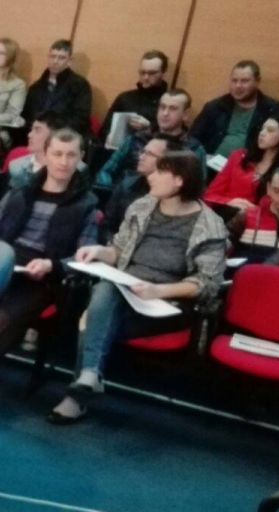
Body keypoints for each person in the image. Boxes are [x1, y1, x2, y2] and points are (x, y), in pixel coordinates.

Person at [50, 151, 226, 423]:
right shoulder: (142, 206)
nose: (150, 176)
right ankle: (88, 378)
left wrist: (158, 291)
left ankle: (78, 396)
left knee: (92, 319)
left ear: (179, 180)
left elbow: (207, 284)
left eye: (159, 171)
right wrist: (98, 251)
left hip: (167, 303)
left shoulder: (210, 226)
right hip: (125, 291)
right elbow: (119, 250)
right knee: (105, 290)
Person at [0, 129, 99, 385]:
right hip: (4, 262)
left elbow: (84, 258)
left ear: (81, 158)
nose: (64, 161)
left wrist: (52, 265)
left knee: (8, 318)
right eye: (57, 154)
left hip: (43, 277)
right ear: (46, 155)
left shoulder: (86, 204)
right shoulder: (21, 190)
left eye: (71, 155)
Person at [96, 89, 206, 190]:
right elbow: (106, 171)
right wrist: (113, 193)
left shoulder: (193, 149)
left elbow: (196, 189)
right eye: (162, 107)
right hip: (124, 194)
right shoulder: (137, 138)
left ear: (185, 115)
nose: (165, 113)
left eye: (173, 109)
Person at [204, 113, 279, 213]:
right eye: (262, 129)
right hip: (226, 213)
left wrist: (253, 211)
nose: (262, 133)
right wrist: (229, 202)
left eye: (270, 130)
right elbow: (210, 195)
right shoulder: (239, 156)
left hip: (259, 219)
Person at [189, 61, 279, 158]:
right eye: (234, 81)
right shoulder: (215, 107)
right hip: (210, 164)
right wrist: (203, 156)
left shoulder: (273, 110)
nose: (238, 86)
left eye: (244, 81)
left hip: (248, 165)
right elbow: (192, 138)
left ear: (257, 81)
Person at [100, 135, 181, 241]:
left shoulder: (175, 196)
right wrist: (113, 245)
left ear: (168, 162)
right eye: (143, 151)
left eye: (149, 154)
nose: (141, 157)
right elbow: (107, 226)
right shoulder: (126, 184)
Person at [22, 39, 92, 137]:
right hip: (35, 134)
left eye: (61, 58)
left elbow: (80, 120)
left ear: (69, 61)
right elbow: (26, 115)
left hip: (62, 136)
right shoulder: (36, 87)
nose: (55, 61)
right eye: (53, 56)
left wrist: (52, 129)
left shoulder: (80, 85)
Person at [99, 50, 169, 142]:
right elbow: (104, 130)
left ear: (163, 73)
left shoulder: (169, 102)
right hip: (119, 147)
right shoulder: (125, 98)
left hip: (152, 147)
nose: (146, 77)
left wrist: (149, 128)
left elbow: (173, 137)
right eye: (142, 72)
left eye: (152, 73)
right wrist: (109, 136)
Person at [7, 111, 82, 192]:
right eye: (31, 130)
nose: (29, 135)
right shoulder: (17, 167)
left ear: (55, 134)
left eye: (37, 130)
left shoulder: (77, 168)